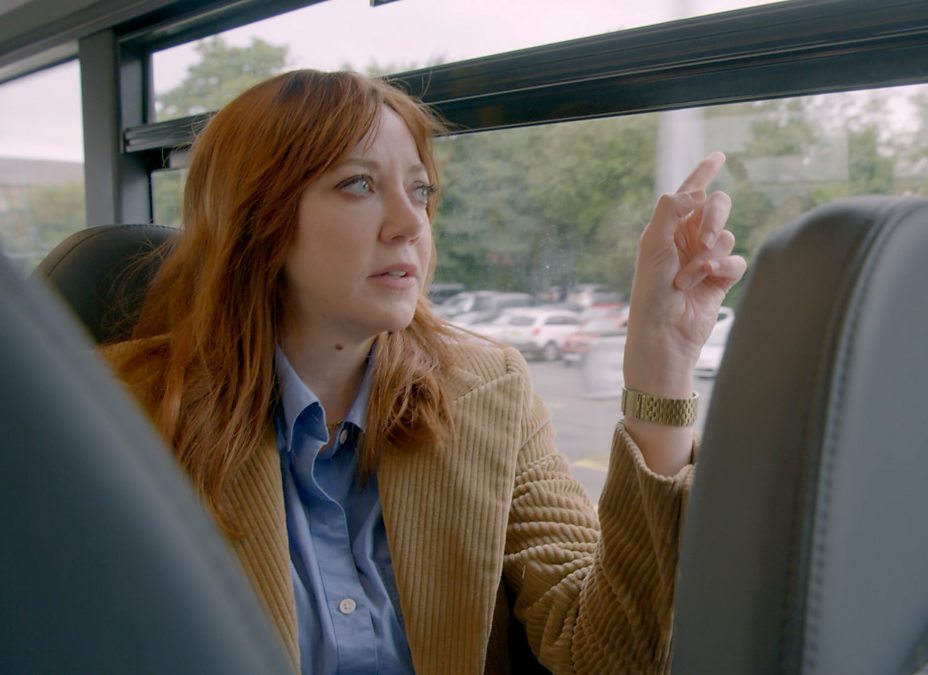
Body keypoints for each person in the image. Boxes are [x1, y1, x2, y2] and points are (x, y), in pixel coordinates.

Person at [102, 69, 745, 675]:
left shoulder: (489, 393)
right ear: (254, 216)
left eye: (421, 191)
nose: (411, 224)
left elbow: (608, 656)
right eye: (358, 185)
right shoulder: (113, 413)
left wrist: (660, 363)